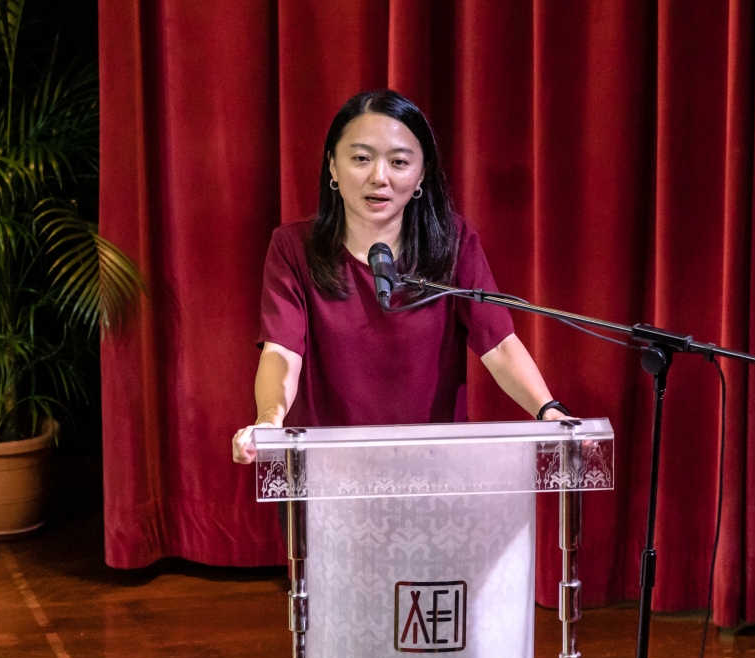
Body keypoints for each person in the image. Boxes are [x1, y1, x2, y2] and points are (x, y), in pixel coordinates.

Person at [232, 90, 568, 464]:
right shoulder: (294, 247)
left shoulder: (453, 244)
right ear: (332, 167)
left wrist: (548, 410)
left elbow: (499, 343)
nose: (379, 177)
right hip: (327, 467)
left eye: (399, 162)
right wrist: (269, 420)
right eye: (361, 159)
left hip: (433, 466)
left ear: (421, 174)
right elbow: (282, 349)